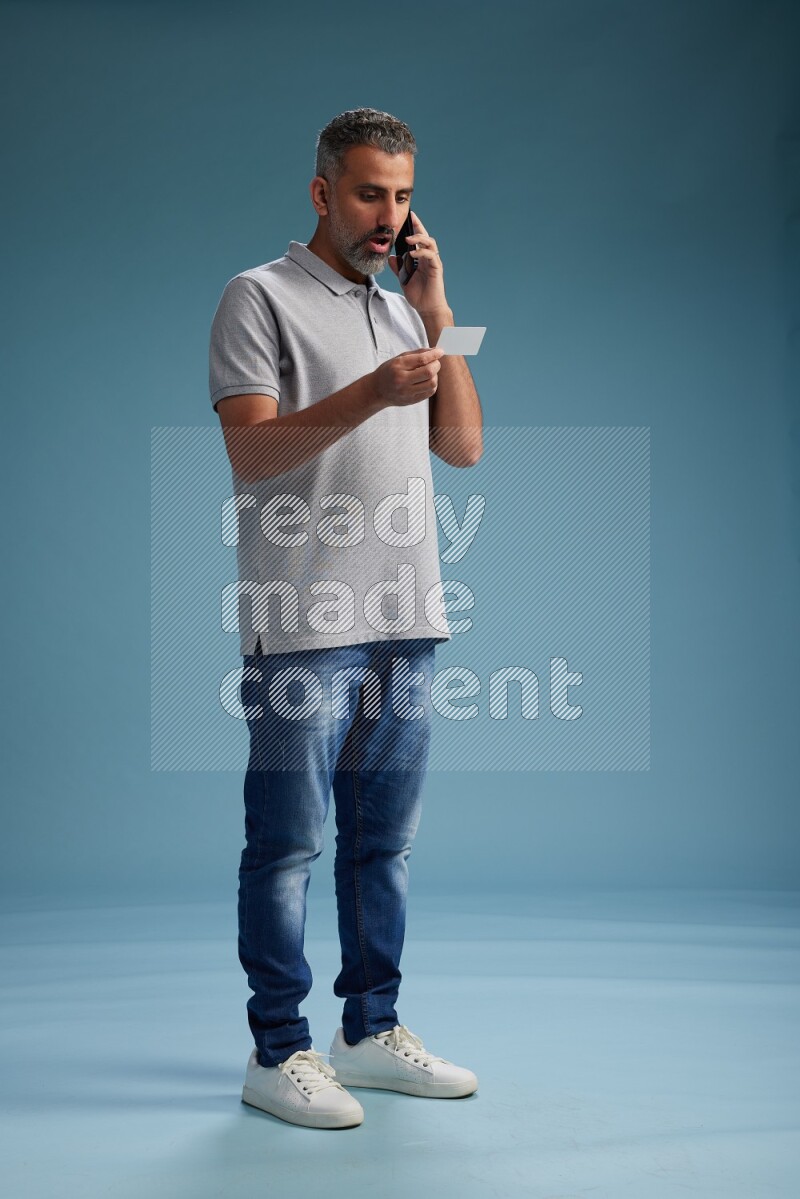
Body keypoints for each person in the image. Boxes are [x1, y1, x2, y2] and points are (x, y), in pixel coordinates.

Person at [209, 108, 483, 1129]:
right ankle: (276, 1050)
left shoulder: (409, 307)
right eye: (370, 193)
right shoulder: (257, 297)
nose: (388, 215)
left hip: (405, 611)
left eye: (403, 196)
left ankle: (367, 1031)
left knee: (384, 843)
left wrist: (438, 313)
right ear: (322, 193)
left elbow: (461, 448)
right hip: (303, 614)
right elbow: (253, 453)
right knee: (286, 844)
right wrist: (372, 389)